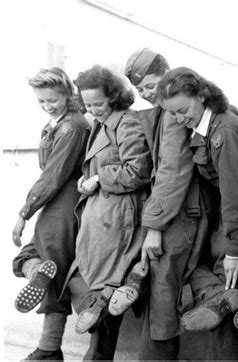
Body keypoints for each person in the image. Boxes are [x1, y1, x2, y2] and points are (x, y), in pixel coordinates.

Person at [157, 67, 238, 360]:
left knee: (231, 291)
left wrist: (235, 250)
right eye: (172, 114)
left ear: (201, 96)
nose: (179, 119)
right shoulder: (209, 124)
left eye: (183, 110)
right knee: (215, 285)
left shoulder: (224, 132)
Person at [117, 48, 208, 360]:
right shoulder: (166, 110)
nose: (146, 94)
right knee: (160, 293)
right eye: (140, 89)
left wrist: (154, 227)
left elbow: (173, 172)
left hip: (178, 215)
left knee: (162, 295)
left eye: (151, 85)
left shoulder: (173, 113)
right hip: (174, 211)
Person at [62, 65, 152, 360]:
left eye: (98, 104)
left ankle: (97, 354)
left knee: (102, 283)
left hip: (117, 219)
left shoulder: (126, 122)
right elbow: (99, 164)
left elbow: (138, 171)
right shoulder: (101, 124)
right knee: (85, 280)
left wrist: (99, 178)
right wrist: (86, 178)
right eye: (87, 105)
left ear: (114, 97)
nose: (93, 110)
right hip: (101, 216)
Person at [11, 67, 90, 360]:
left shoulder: (73, 126)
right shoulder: (57, 124)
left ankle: (49, 350)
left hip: (64, 203)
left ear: (68, 94)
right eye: (41, 101)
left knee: (54, 271)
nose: (47, 106)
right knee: (31, 259)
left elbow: (54, 175)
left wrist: (24, 212)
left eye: (52, 100)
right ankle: (38, 275)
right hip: (54, 202)